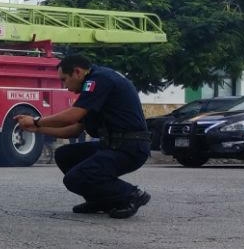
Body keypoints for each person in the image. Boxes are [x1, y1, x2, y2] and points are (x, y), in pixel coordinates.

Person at [14, 55, 152, 219]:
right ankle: (101, 200)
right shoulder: (95, 87)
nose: (65, 86)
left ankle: (131, 194)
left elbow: (72, 116)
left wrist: (37, 121)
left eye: (64, 79)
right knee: (65, 155)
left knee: (75, 178)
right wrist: (38, 129)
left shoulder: (99, 80)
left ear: (77, 72)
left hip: (129, 147)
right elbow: (74, 129)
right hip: (114, 145)